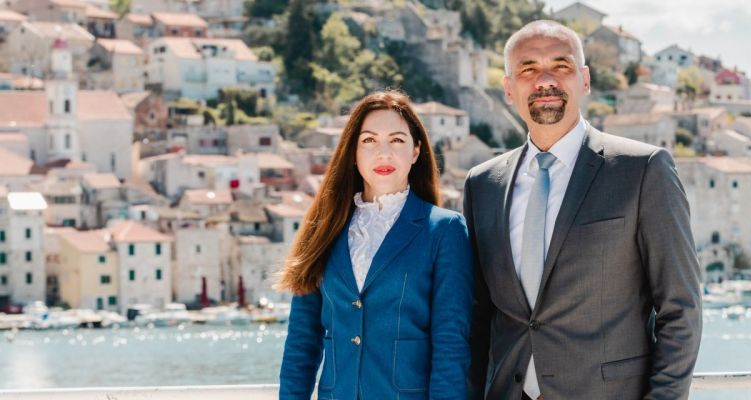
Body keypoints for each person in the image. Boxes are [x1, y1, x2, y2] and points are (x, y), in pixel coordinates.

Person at [464, 20, 702, 400]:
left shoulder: (642, 170)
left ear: (584, 80)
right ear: (508, 88)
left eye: (561, 66)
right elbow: (478, 316)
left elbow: (681, 310)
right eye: (528, 69)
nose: (545, 80)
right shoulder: (483, 184)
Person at [279, 90, 474, 400]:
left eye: (397, 140)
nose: (383, 153)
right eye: (369, 140)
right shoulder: (323, 229)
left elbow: (451, 343)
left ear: (416, 151)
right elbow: (302, 342)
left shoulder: (444, 230)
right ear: (353, 152)